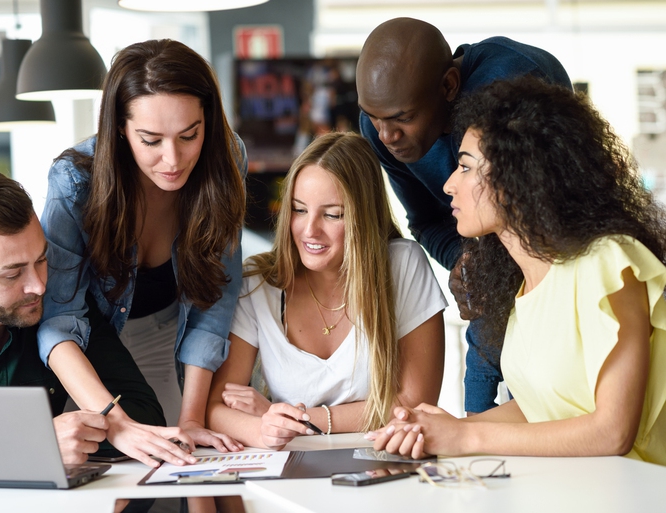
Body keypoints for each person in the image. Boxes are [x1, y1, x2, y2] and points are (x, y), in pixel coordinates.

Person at [369, 76, 666, 465]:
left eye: (464, 167)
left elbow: (613, 431)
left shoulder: (608, 262)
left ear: (516, 177)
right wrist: (439, 429)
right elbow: (539, 409)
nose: (447, 185)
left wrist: (467, 434)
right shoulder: (523, 287)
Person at [38, 39, 247, 466]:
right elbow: (58, 320)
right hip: (88, 345)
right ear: (118, 127)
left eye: (189, 135)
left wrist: (192, 417)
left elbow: (215, 295)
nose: (173, 159)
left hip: (168, 333)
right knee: (102, 462)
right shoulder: (73, 182)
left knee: (174, 456)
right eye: (151, 140)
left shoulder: (226, 160)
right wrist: (112, 419)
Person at [355, 17, 573, 414]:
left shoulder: (510, 87)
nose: (386, 136)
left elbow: (535, 228)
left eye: (402, 118)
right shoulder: (381, 126)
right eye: (372, 117)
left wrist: (471, 424)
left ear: (449, 86)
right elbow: (425, 222)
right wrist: (464, 261)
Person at [0, 169, 176, 474]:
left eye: (42, 260)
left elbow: (144, 416)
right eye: (12, 274)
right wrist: (34, 443)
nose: (39, 286)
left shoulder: (59, 299)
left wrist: (79, 433)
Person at [205, 132, 447, 450]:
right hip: (290, 470)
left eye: (332, 214)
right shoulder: (258, 283)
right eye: (299, 209)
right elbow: (215, 410)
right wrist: (265, 428)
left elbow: (413, 406)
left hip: (381, 469)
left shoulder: (402, 265)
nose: (309, 230)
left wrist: (301, 420)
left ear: (365, 218)